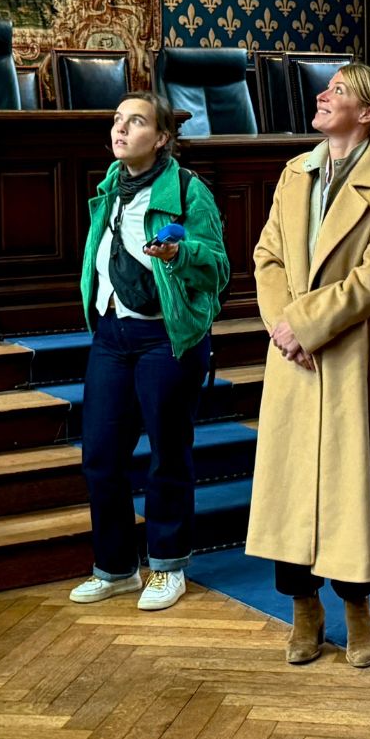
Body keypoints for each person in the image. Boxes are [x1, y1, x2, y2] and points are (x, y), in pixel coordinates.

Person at [244, 63, 370, 668]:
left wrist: (307, 325)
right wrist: (282, 326)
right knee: (291, 492)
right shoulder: (297, 172)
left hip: (350, 357)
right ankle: (303, 608)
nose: (323, 95)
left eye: (338, 90)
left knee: (352, 490)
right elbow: (266, 255)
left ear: (368, 112)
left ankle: (356, 608)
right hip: (295, 357)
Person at [67, 92, 231, 611]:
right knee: (100, 456)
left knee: (167, 453)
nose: (120, 129)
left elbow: (219, 268)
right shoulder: (111, 187)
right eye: (117, 119)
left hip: (166, 337)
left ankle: (167, 565)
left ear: (161, 138)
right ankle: (115, 568)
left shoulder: (187, 189)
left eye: (135, 122)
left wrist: (181, 253)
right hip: (112, 335)